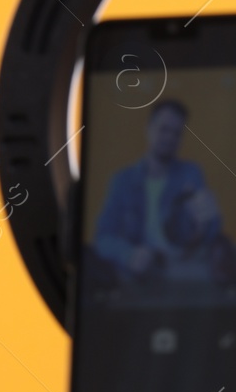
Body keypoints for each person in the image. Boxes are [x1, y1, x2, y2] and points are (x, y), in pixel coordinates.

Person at [90, 99, 226, 287]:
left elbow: (212, 232)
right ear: (149, 129)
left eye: (176, 133)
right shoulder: (122, 181)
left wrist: (208, 221)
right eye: (164, 129)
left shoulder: (192, 173)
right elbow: (102, 238)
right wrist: (129, 255)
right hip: (137, 275)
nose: (170, 138)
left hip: (184, 269)